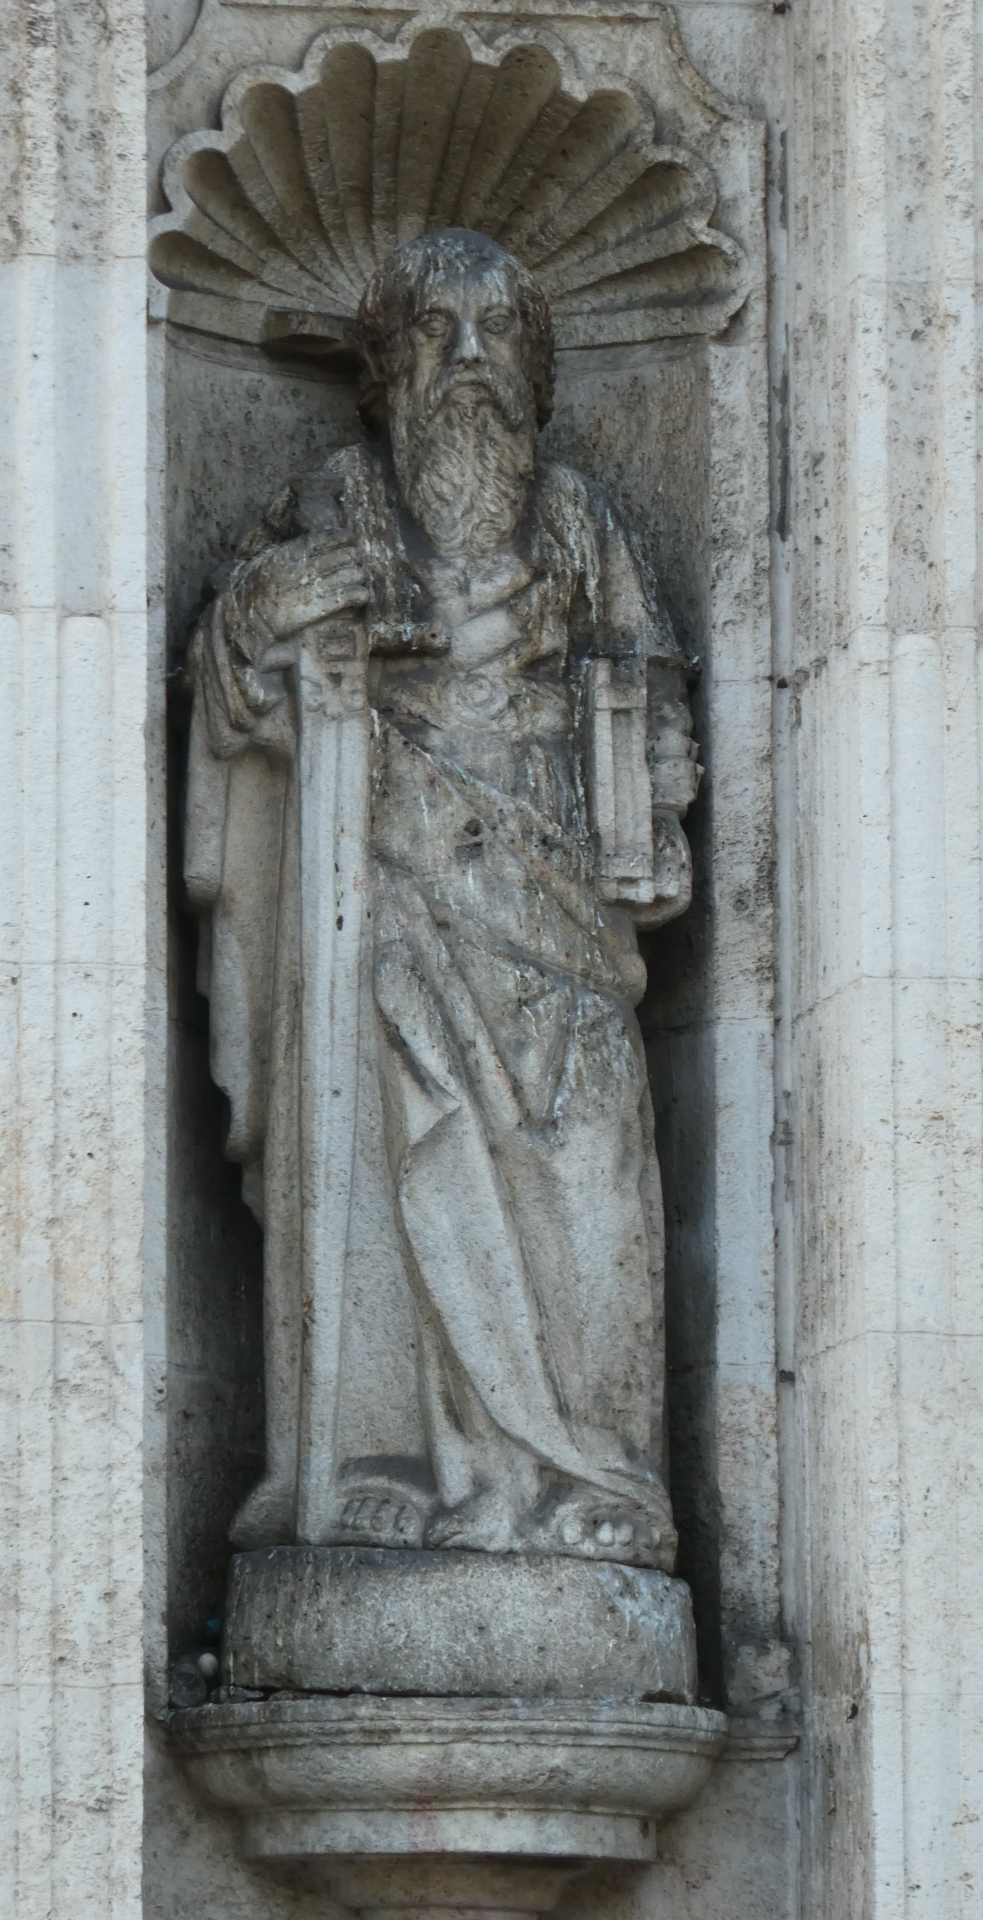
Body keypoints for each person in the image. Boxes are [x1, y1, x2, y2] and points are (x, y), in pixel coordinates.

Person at [185, 228, 699, 1570]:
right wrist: (264, 617)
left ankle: (594, 1474)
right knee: (397, 1164)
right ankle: (391, 1463)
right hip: (386, 907)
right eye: (434, 332)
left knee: (588, 1178)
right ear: (384, 373)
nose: (469, 359)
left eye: (499, 331)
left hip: (558, 917)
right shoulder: (331, 502)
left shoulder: (579, 522)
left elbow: (652, 694)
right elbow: (232, 679)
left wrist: (657, 799)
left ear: (536, 373)